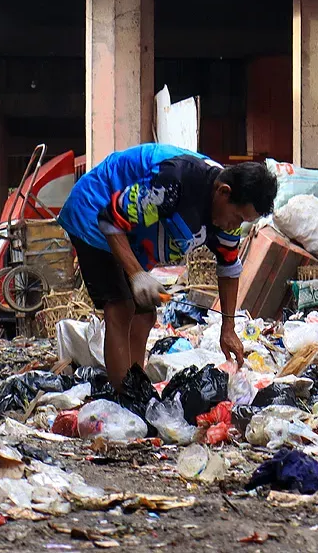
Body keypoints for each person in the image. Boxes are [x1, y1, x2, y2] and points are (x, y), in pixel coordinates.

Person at [58, 144, 278, 390]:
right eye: (237, 217)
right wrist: (137, 274)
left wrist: (228, 328)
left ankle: (135, 386)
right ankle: (123, 400)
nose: (234, 226)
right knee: (120, 309)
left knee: (145, 314)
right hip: (95, 212)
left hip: (130, 233)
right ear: (223, 192)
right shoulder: (174, 185)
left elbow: (228, 268)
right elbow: (110, 220)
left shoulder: (227, 217)